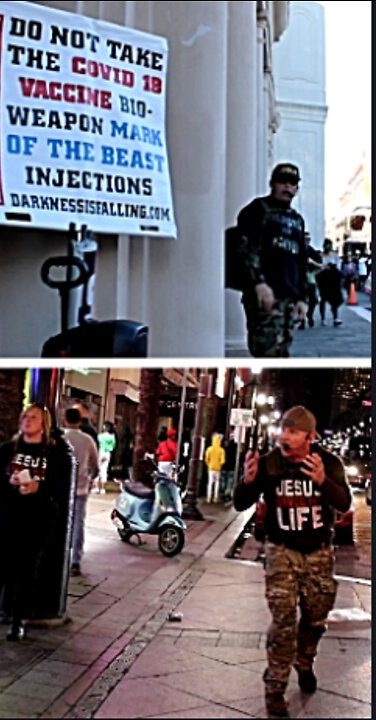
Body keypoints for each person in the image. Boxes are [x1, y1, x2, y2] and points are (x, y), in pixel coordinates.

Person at [233, 407, 350, 718]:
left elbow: (344, 503)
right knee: (284, 622)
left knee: (314, 619)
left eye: (294, 431)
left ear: (309, 438)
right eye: (283, 429)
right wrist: (247, 481)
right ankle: (274, 690)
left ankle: (305, 660)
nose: (285, 436)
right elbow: (240, 502)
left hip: (318, 553)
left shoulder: (328, 462)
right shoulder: (271, 463)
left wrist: (324, 481)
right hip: (280, 550)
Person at [0, 405, 74, 643]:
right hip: (8, 518)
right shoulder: (9, 449)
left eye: (33, 417)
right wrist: (10, 480)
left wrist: (38, 486)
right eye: (24, 416)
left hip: (37, 520)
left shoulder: (53, 455)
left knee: (26, 572)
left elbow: (61, 488)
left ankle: (18, 622)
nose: (27, 420)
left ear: (43, 423)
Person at [234, 163, 310, 357]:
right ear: (272, 184)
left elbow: (302, 260)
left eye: (292, 183)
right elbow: (246, 249)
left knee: (283, 351)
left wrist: (303, 298)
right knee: (265, 350)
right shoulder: (257, 210)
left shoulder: (297, 220)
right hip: (265, 295)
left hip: (289, 297)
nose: (287, 187)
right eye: (282, 182)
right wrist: (258, 283)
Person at [60, 408, 98, 577]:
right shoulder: (87, 440)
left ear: (65, 420)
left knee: (59, 523)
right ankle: (75, 560)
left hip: (60, 488)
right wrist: (90, 479)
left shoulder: (60, 438)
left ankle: (59, 557)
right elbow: (95, 466)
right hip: (80, 489)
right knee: (78, 524)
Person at [204, 434, 226, 503]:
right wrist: (219, 464)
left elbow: (206, 459)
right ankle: (215, 497)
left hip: (211, 468)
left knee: (210, 483)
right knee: (217, 483)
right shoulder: (221, 450)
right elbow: (223, 460)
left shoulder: (209, 449)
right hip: (218, 469)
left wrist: (209, 464)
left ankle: (209, 497)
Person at [97, 422, 116, 494]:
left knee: (98, 469)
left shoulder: (100, 436)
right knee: (104, 470)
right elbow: (113, 446)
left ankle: (97, 487)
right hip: (108, 453)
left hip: (101, 452)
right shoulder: (112, 437)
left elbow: (98, 443)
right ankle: (102, 488)